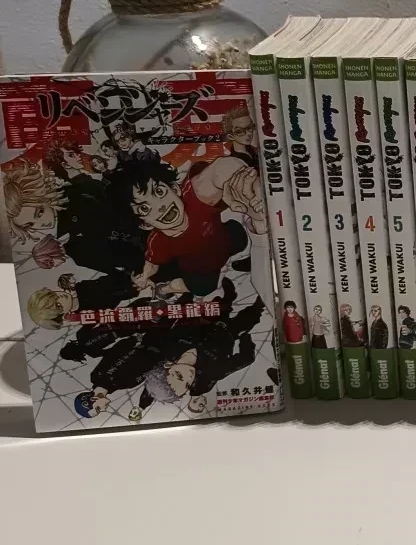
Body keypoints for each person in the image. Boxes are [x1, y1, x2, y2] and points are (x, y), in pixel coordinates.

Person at [69, 278, 266, 421]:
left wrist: (135, 340)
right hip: (165, 356)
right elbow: (152, 385)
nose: (103, 410)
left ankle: (218, 298)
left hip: (153, 344)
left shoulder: (101, 376)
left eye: (97, 409)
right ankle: (232, 303)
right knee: (220, 325)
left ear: (91, 400)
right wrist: (142, 406)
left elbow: (117, 355)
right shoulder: (116, 387)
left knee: (194, 319)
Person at [110, 154, 267, 299]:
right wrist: (144, 277)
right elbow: (152, 264)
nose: (161, 206)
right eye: (145, 208)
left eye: (158, 191)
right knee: (202, 289)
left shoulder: (194, 196)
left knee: (239, 237)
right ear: (144, 224)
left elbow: (221, 169)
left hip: (224, 241)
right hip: (200, 270)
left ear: (174, 188)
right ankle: (165, 289)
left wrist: (251, 187)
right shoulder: (157, 241)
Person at [5, 158, 146, 307]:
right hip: (142, 261)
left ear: (43, 196)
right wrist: (132, 281)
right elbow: (114, 271)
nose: (42, 223)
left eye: (39, 212)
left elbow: (116, 201)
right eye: (30, 224)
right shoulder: (74, 249)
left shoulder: (78, 195)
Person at [222, 103, 259, 171]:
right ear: (230, 136)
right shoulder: (232, 162)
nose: (249, 133)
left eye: (250, 127)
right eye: (240, 131)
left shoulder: (255, 151)